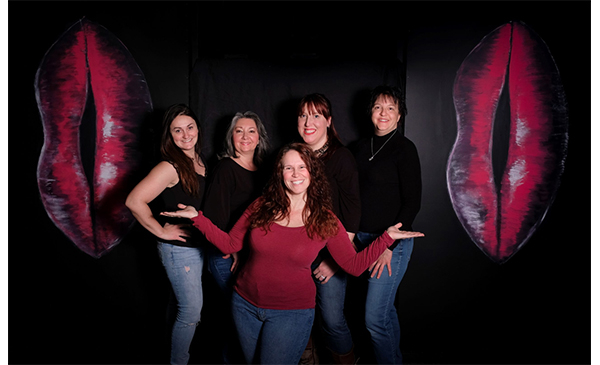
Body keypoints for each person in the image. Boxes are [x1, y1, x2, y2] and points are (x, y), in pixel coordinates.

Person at [161, 143, 424, 365]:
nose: (295, 173)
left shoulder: (325, 219)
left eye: (301, 167)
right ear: (280, 173)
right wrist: (198, 218)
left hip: (291, 314)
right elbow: (230, 244)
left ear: (311, 172)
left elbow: (353, 266)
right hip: (244, 305)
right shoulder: (261, 205)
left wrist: (386, 238)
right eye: (288, 167)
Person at [125, 104, 207, 365]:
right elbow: (134, 201)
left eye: (190, 127)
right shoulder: (169, 166)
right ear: (169, 136)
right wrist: (160, 230)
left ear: (198, 128)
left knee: (179, 307)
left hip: (199, 247)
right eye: (178, 130)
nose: (186, 135)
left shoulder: (201, 161)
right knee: (191, 312)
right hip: (180, 250)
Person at [352, 85, 422, 364]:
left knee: (374, 318)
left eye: (391, 108)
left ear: (399, 115)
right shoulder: (358, 147)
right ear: (370, 112)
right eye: (379, 107)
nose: (384, 113)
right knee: (384, 311)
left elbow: (412, 203)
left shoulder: (405, 149)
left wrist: (388, 244)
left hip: (392, 243)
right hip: (361, 240)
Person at [296, 94, 361, 364]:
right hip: (298, 251)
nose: (308, 122)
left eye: (316, 116)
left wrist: (335, 260)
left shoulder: (341, 157)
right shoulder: (294, 155)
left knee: (332, 319)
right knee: (299, 315)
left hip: (329, 253)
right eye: (302, 115)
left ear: (328, 121)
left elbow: (353, 211)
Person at [202, 111, 269, 363]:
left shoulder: (264, 170)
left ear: (259, 136)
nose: (245, 136)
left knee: (246, 322)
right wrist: (237, 251)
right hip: (226, 255)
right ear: (231, 136)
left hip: (252, 257)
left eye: (251, 130)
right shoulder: (225, 168)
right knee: (237, 322)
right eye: (239, 130)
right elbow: (214, 220)